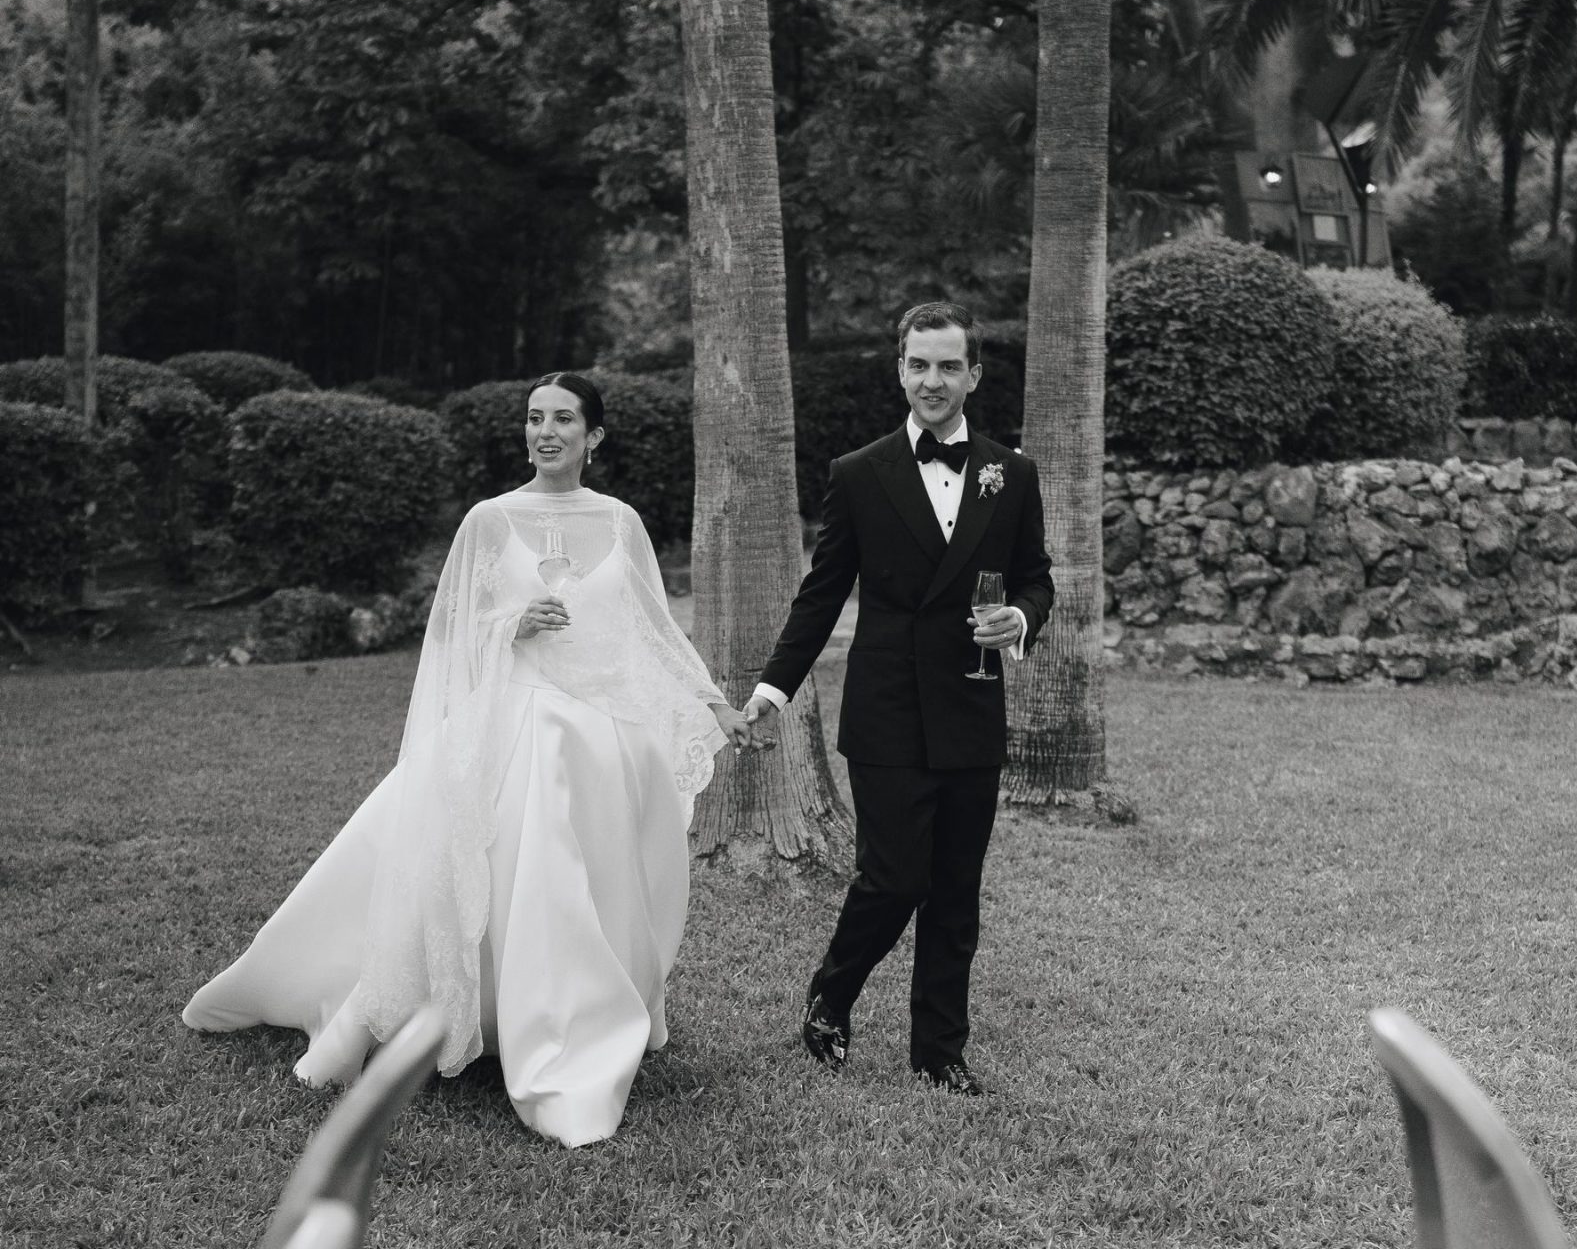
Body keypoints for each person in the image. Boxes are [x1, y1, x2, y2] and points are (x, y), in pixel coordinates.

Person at [183, 376, 749, 1147]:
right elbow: (448, 635)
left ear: (595, 437)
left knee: (590, 884)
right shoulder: (489, 521)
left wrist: (711, 702)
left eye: (563, 420)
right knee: (493, 872)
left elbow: (653, 631)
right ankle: (473, 1021)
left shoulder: (621, 522)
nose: (545, 432)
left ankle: (575, 1018)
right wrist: (509, 623)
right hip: (510, 729)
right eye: (534, 419)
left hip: (603, 745)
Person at [744, 300, 1053, 1096]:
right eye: (919, 364)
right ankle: (830, 997)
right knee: (893, 878)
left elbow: (1035, 577)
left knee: (955, 889)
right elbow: (821, 596)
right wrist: (773, 689)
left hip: (971, 707)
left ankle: (939, 1052)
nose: (932, 380)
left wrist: (1018, 618)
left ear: (973, 375)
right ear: (900, 370)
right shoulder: (859, 472)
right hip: (884, 712)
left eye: (949, 366)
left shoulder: (1010, 474)